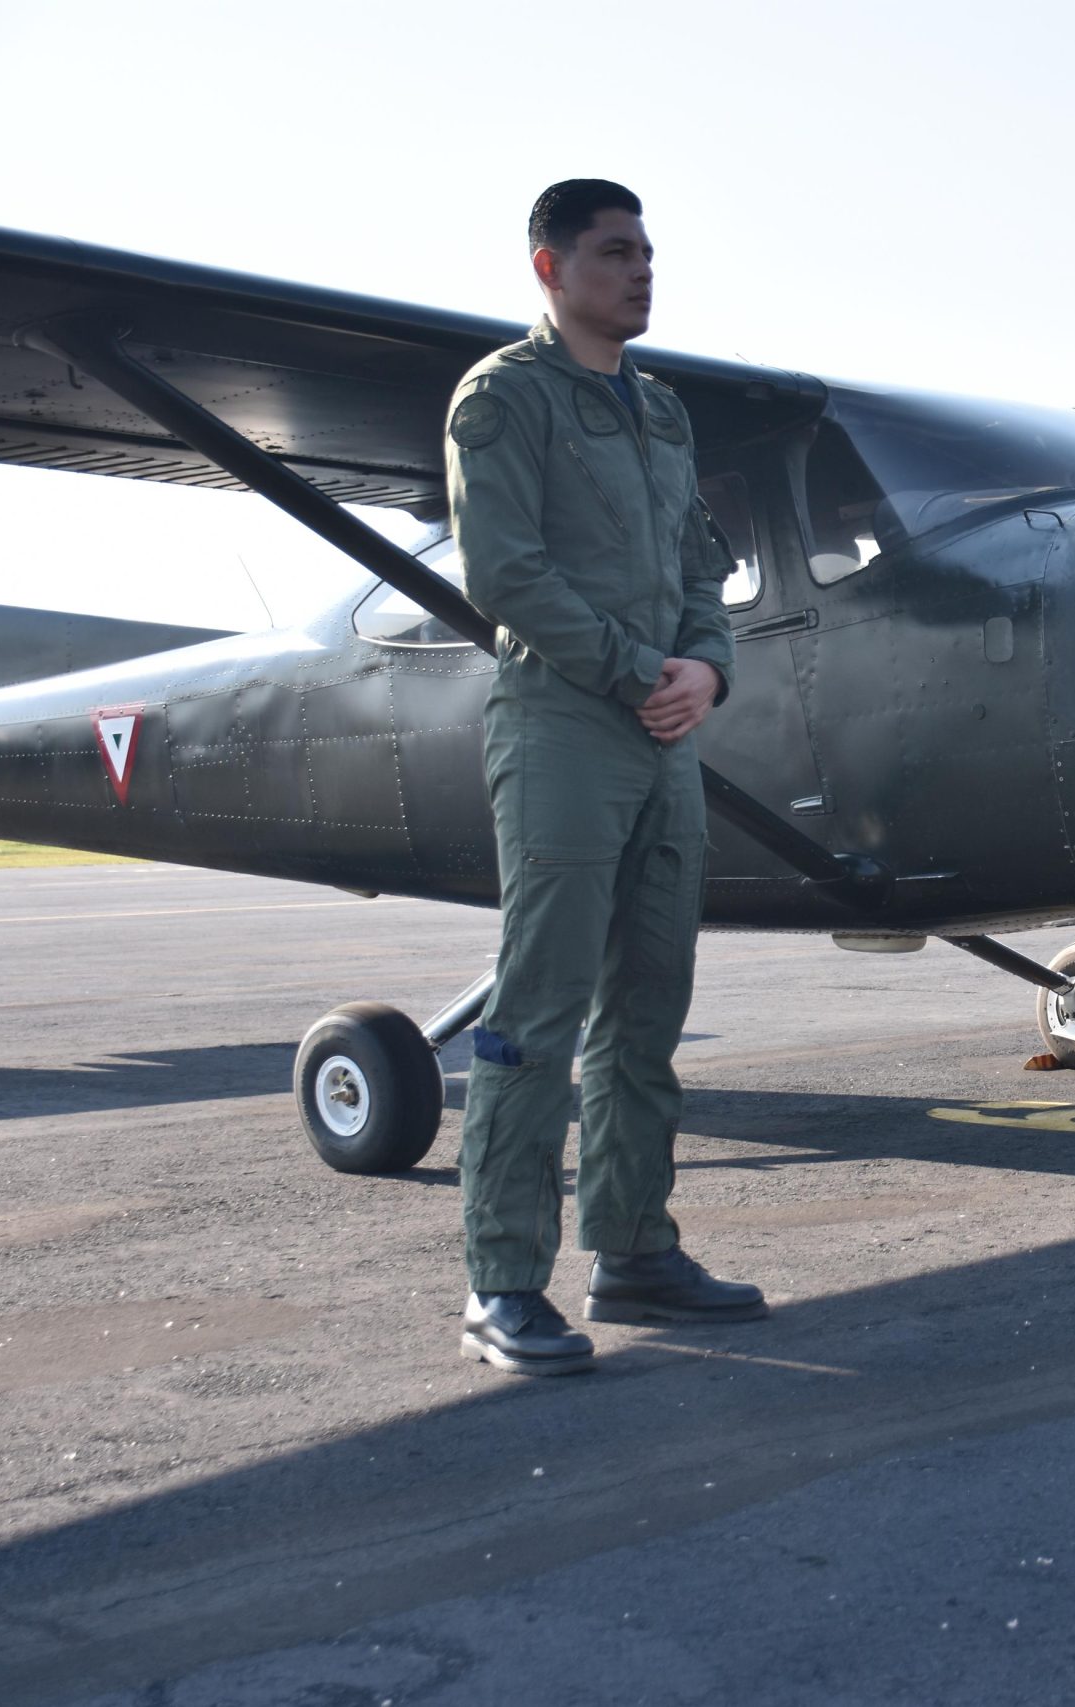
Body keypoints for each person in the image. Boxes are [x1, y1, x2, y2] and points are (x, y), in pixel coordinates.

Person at [442, 179, 764, 1374]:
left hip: (663, 734)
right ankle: (501, 1285)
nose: (641, 272)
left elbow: (699, 565)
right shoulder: (503, 397)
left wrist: (708, 668)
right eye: (615, 252)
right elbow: (505, 573)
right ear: (549, 267)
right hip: (564, 726)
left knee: (648, 1007)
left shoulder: (661, 412)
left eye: (647, 252)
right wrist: (641, 671)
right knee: (538, 1010)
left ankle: (633, 1248)